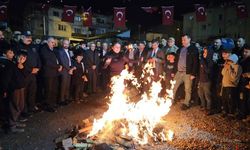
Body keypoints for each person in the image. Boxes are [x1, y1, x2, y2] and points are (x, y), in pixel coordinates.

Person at [16, 31, 41, 115]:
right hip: (24, 74)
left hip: (33, 74)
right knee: (24, 94)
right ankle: (24, 110)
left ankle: (31, 107)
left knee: (32, 92)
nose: (29, 39)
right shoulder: (18, 47)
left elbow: (38, 58)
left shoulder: (33, 47)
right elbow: (19, 63)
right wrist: (30, 70)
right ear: (22, 37)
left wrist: (38, 67)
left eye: (30, 37)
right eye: (27, 37)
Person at [173, 34, 199, 110]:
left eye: (184, 39)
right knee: (173, 86)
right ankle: (171, 99)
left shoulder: (193, 49)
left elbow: (195, 62)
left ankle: (186, 103)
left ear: (189, 39)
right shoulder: (180, 49)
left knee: (187, 89)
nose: (183, 41)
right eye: (182, 40)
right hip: (179, 72)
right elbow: (177, 60)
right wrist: (175, 70)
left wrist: (193, 74)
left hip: (188, 73)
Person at [40, 37, 62, 112]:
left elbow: (58, 59)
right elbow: (47, 62)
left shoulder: (54, 50)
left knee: (54, 89)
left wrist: (60, 65)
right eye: (52, 42)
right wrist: (58, 66)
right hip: (48, 73)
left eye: (54, 42)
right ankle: (48, 105)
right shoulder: (44, 50)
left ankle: (53, 103)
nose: (54, 44)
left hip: (55, 73)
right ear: (48, 42)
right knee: (48, 90)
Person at [221, 54, 242, 119]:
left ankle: (231, 113)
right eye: (228, 60)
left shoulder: (238, 67)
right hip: (225, 85)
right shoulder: (227, 66)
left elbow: (234, 77)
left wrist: (229, 68)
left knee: (231, 100)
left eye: (229, 60)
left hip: (231, 86)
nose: (228, 62)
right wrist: (225, 67)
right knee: (224, 99)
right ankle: (225, 111)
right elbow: (222, 73)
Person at [198, 47, 214, 115]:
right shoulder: (203, 60)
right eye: (203, 52)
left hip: (207, 81)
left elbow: (208, 71)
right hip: (201, 81)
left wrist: (203, 63)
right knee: (200, 94)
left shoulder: (210, 62)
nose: (204, 54)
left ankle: (209, 109)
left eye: (206, 52)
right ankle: (203, 106)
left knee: (207, 96)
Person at [58, 39, 74, 105]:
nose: (66, 45)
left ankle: (66, 98)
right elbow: (62, 62)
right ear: (62, 43)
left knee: (67, 85)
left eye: (67, 44)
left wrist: (72, 68)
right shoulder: (60, 51)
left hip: (69, 70)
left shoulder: (69, 51)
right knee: (63, 85)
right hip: (64, 70)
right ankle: (61, 100)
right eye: (65, 43)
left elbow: (70, 60)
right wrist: (69, 69)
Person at [238, 45, 250, 119]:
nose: (244, 53)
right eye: (244, 51)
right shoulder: (242, 60)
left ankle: (245, 114)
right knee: (242, 99)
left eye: (247, 52)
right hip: (242, 83)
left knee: (246, 100)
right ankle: (242, 113)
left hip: (247, 84)